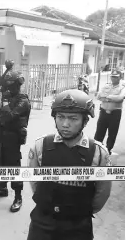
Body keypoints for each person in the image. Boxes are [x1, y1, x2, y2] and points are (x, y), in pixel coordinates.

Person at [27, 89, 112, 240]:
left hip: (78, 228)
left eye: (73, 119)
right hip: (42, 224)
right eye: (60, 117)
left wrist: (79, 211)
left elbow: (101, 194)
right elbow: (35, 184)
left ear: (85, 121)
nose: (65, 124)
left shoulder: (99, 154)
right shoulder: (40, 146)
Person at [0, 70, 31, 213]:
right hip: (1, 135)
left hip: (13, 137)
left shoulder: (22, 100)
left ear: (16, 85)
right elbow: (0, 113)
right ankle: (2, 188)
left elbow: (10, 116)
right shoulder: (5, 96)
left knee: (13, 166)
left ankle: (18, 197)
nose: (7, 88)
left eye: (9, 85)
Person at [94, 70, 125, 155]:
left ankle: (108, 150)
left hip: (115, 113)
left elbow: (120, 98)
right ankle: (97, 149)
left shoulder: (122, 87)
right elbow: (99, 96)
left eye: (116, 77)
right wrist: (112, 97)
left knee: (112, 133)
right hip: (103, 112)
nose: (113, 78)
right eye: (112, 76)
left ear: (120, 77)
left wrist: (107, 97)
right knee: (99, 131)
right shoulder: (106, 85)